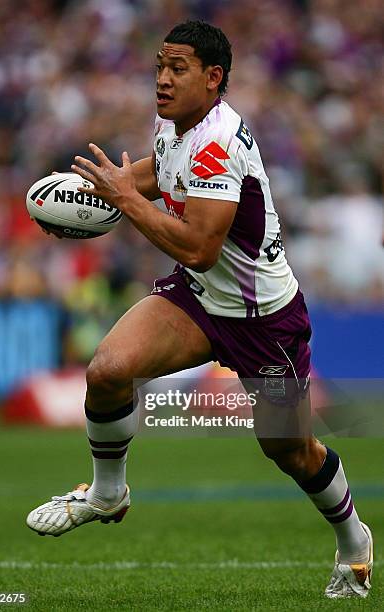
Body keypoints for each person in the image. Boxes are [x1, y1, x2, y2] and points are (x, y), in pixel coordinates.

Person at [26, 20, 373, 599]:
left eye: (177, 68)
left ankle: (354, 538)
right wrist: (92, 190)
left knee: (290, 450)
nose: (161, 79)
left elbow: (198, 244)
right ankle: (107, 493)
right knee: (109, 370)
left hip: (262, 318)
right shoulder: (176, 125)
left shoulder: (216, 146)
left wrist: (125, 202)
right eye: (160, 65)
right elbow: (159, 176)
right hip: (201, 297)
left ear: (213, 79)